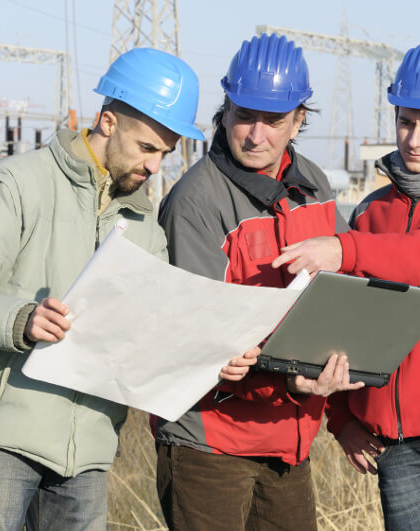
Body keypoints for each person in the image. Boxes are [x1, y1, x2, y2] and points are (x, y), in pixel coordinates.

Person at [0, 47, 206, 531]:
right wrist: (22, 320)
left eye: (165, 152)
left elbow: (151, 332)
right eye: (146, 148)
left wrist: (212, 354)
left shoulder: (145, 226)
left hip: (87, 452)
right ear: (108, 121)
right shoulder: (15, 185)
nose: (156, 167)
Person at [273, 41, 420, 530]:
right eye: (406, 122)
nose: (414, 139)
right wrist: (343, 420)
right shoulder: (369, 213)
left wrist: (346, 249)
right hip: (400, 444)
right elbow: (332, 323)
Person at [152, 33, 361, 531]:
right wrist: (292, 380)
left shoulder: (314, 184)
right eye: (244, 115)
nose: (255, 134)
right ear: (224, 110)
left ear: (299, 120)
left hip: (289, 438)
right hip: (209, 442)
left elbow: (343, 292)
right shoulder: (194, 203)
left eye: (274, 121)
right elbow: (206, 340)